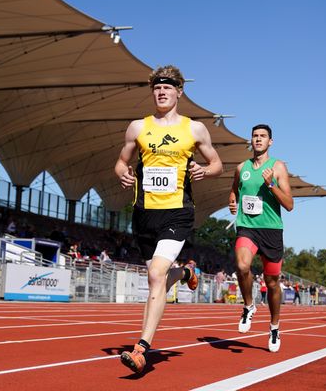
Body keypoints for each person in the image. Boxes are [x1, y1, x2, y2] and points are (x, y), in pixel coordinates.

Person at [114, 65, 223, 373]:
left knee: (155, 276)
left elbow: (216, 163)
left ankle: (141, 349)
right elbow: (121, 162)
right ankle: (186, 273)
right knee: (159, 278)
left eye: (167, 87)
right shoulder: (138, 127)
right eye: (157, 88)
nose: (161, 92)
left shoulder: (195, 129)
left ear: (179, 91)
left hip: (178, 211)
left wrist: (204, 170)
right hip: (144, 214)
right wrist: (123, 174)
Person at [228, 123, 294, 353]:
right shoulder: (241, 167)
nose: (258, 139)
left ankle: (274, 326)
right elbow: (235, 189)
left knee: (272, 282)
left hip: (271, 231)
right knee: (242, 265)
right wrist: (232, 200)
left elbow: (289, 204)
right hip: (247, 227)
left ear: (270, 142)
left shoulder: (278, 167)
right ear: (251, 140)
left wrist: (272, 185)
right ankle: (249, 306)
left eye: (263, 136)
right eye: (255, 136)